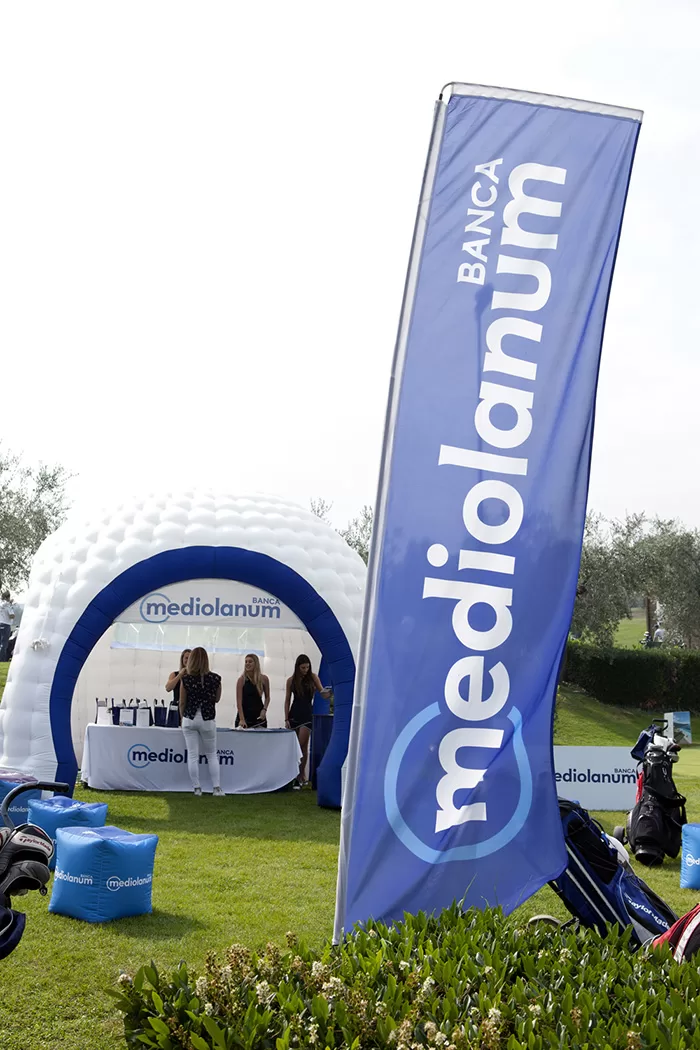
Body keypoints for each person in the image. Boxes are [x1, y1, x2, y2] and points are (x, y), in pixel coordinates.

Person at [179, 647, 224, 797]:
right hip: (207, 719)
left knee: (193, 755)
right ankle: (216, 788)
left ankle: (197, 788)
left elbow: (182, 702)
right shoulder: (216, 679)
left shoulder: (186, 679)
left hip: (189, 718)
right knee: (212, 755)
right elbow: (217, 699)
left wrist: (182, 717)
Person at [285, 654, 331, 788]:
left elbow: (322, 692)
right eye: (303, 668)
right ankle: (297, 775)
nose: (305, 670)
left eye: (307, 667)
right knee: (300, 747)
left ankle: (299, 775)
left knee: (301, 744)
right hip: (294, 713)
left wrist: (330, 692)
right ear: (298, 667)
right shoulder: (291, 680)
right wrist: (286, 718)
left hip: (307, 714)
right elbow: (287, 700)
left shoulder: (313, 677)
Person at [235, 653, 270, 728]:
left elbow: (267, 697)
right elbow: (239, 702)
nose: (247, 664)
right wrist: (242, 719)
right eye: (246, 662)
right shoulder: (241, 680)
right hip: (245, 716)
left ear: (256, 664)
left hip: (258, 716)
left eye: (250, 662)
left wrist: (264, 709)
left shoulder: (264, 679)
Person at [165, 649, 192, 723]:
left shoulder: (194, 677)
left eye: (190, 658)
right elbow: (168, 688)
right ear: (182, 659)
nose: (188, 660)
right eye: (186, 658)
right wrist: (180, 675)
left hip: (189, 709)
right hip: (176, 708)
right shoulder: (174, 674)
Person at [0, 593, 15, 663]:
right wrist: (11, 606)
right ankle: (1, 659)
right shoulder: (7, 605)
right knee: (4, 644)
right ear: (7, 597)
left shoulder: (1, 604)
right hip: (6, 624)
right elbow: (11, 615)